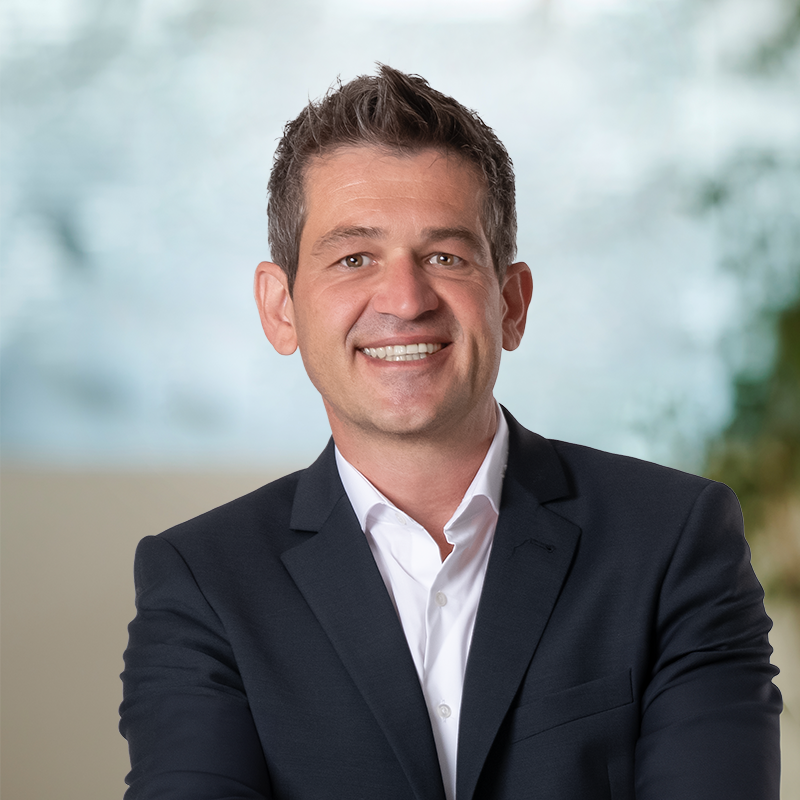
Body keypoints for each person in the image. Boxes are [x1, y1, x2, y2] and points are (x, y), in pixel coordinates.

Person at [119, 65, 781, 800]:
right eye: (354, 258)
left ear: (512, 304)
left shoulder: (673, 541)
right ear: (281, 309)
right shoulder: (204, 582)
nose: (405, 301)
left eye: (445, 257)